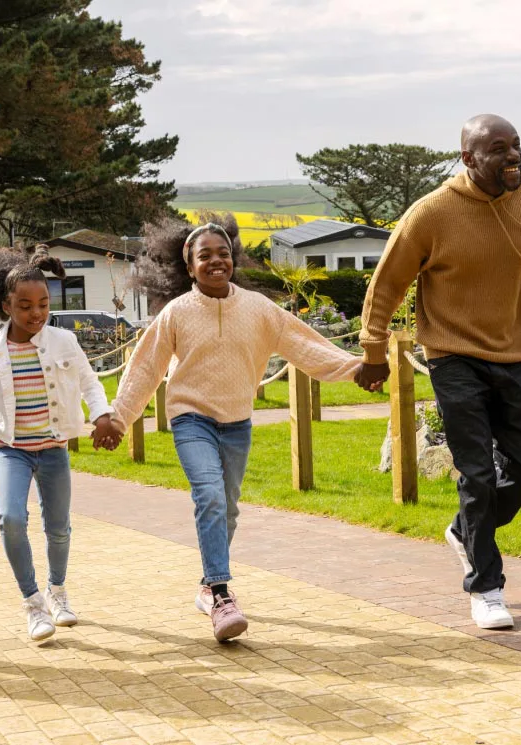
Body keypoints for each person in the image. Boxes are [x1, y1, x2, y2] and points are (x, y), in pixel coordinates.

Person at [354, 115, 521, 630]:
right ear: (469, 158)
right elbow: (387, 283)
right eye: (498, 149)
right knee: (477, 473)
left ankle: (465, 531)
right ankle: (486, 588)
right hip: (451, 356)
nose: (513, 156)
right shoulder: (432, 212)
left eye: (516, 145)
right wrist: (373, 349)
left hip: (513, 356)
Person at [111, 216, 363, 642]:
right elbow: (145, 368)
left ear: (234, 259)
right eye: (204, 255)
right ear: (190, 267)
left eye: (223, 253)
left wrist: (355, 368)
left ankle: (206, 587)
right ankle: (222, 594)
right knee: (209, 496)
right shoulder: (176, 313)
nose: (216, 261)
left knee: (226, 509)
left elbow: (304, 344)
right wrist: (119, 418)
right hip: (191, 418)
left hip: (237, 423)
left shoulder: (258, 308)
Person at [0, 245, 124, 642]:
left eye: (44, 304)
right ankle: (33, 601)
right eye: (25, 306)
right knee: (11, 519)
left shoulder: (64, 341)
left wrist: (102, 415)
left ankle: (57, 591)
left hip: (53, 449)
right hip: (10, 450)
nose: (36, 314)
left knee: (58, 527)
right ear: (7, 306)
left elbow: (89, 383)